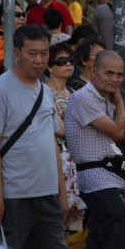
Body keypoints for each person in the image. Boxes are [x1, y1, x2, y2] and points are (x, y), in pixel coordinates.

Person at [0, 25, 77, 249]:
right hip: (13, 197)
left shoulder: (45, 92)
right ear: (17, 53)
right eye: (32, 53)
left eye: (44, 53)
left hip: (47, 196)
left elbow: (51, 145)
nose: (39, 60)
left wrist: (61, 193)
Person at [65, 50, 125, 249]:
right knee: (124, 244)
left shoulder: (101, 97)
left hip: (106, 180)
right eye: (108, 73)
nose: (115, 79)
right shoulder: (84, 97)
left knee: (98, 245)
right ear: (93, 71)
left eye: (120, 74)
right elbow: (118, 132)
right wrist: (121, 103)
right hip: (98, 182)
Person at [44, 43, 86, 230]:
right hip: (56, 162)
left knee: (76, 219)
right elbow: (60, 129)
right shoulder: (44, 92)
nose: (68, 64)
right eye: (61, 61)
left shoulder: (75, 93)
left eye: (71, 60)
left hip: (77, 161)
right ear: (49, 66)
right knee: (57, 219)